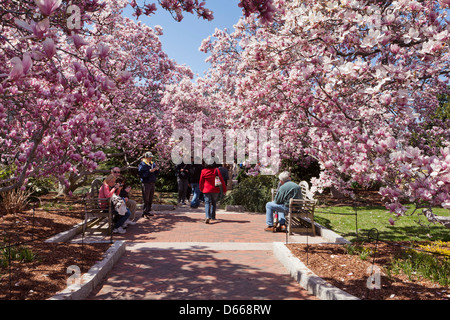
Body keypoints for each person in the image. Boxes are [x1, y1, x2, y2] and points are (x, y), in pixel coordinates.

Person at [138, 152, 159, 218]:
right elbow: (141, 175)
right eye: (149, 157)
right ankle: (144, 212)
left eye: (151, 157)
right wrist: (149, 171)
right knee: (146, 199)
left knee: (150, 198)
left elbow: (156, 174)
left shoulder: (152, 164)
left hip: (152, 183)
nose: (150, 158)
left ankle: (148, 211)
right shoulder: (142, 164)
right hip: (146, 183)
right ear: (145, 157)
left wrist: (157, 170)